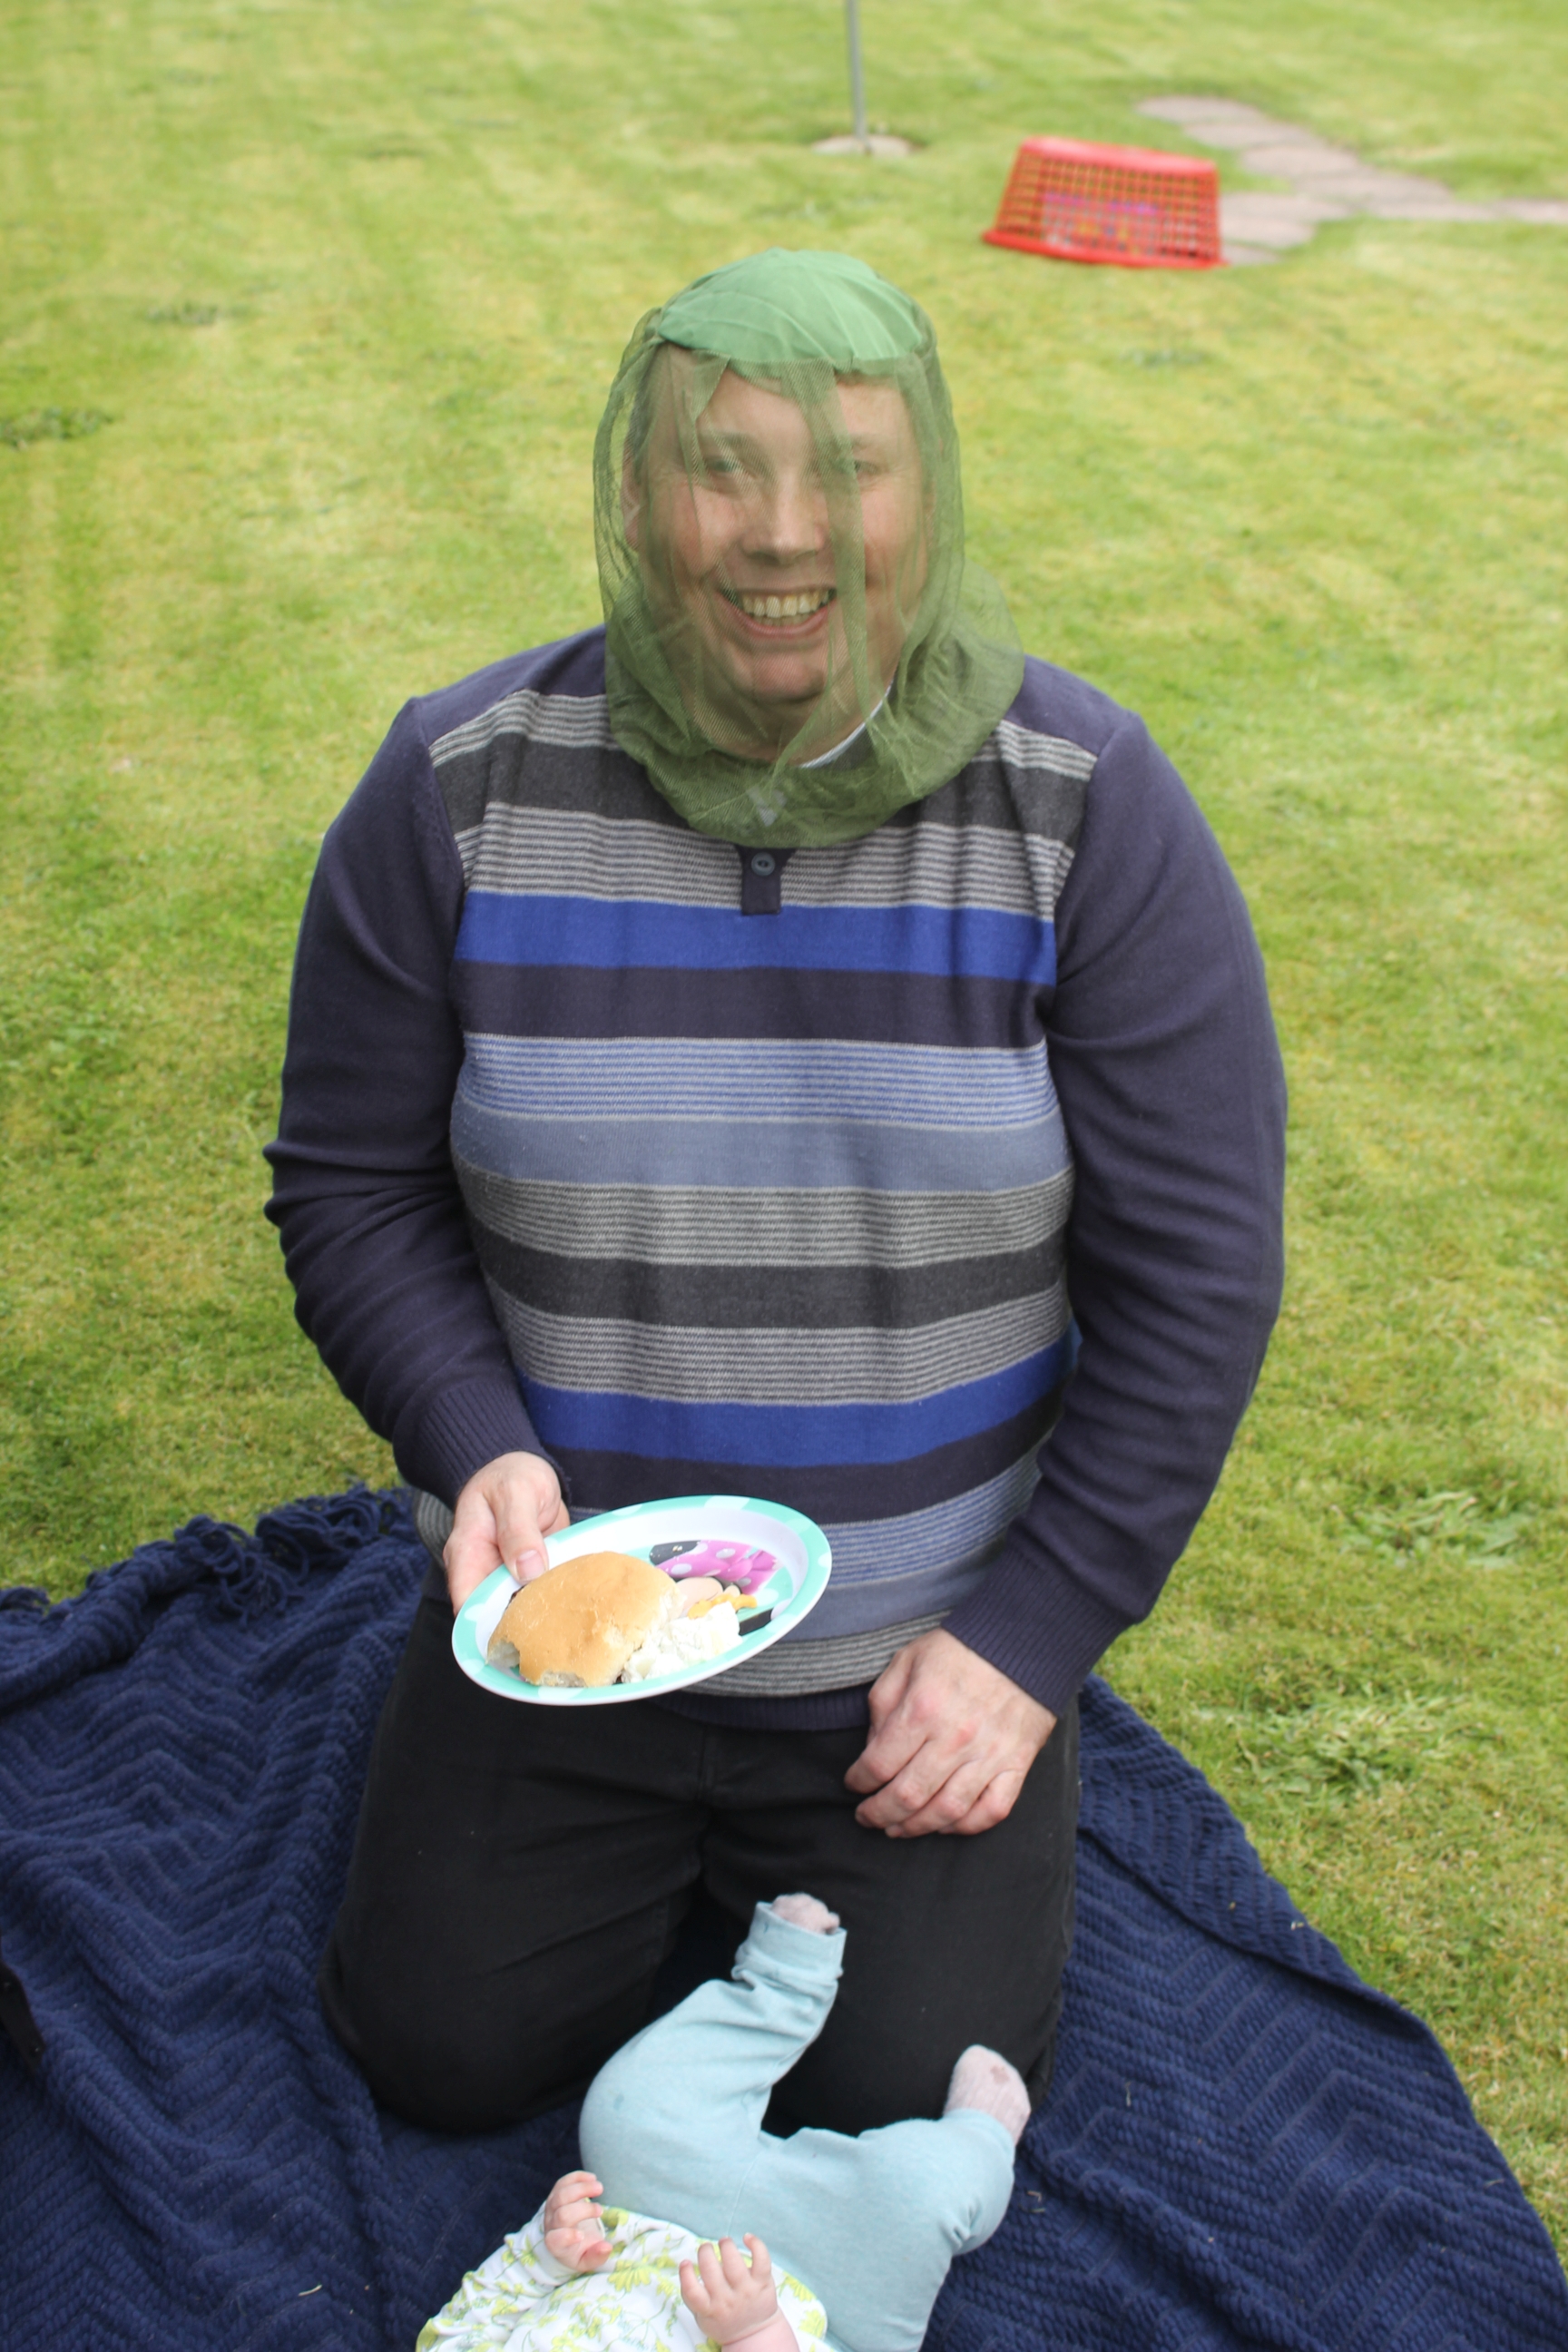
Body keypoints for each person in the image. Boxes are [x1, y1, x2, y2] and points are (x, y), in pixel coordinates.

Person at [264, 248, 1285, 2138]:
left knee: (885, 2102)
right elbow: (349, 1186)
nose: (784, 531)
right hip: (565, 1627)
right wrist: (468, 1438)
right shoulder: (456, 788)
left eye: (851, 469)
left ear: (932, 490)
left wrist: (1029, 1643)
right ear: (634, 492)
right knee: (437, 2053)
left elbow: (1199, 1275)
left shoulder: (1084, 803)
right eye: (721, 467)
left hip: (913, 1663)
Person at [416, 1894, 1027, 2352]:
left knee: (626, 2111)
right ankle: (983, 2133)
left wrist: (545, 2253)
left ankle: (778, 1990)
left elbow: (462, 2327)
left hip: (650, 2213)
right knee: (921, 2194)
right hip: (829, 2292)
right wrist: (754, 2333)